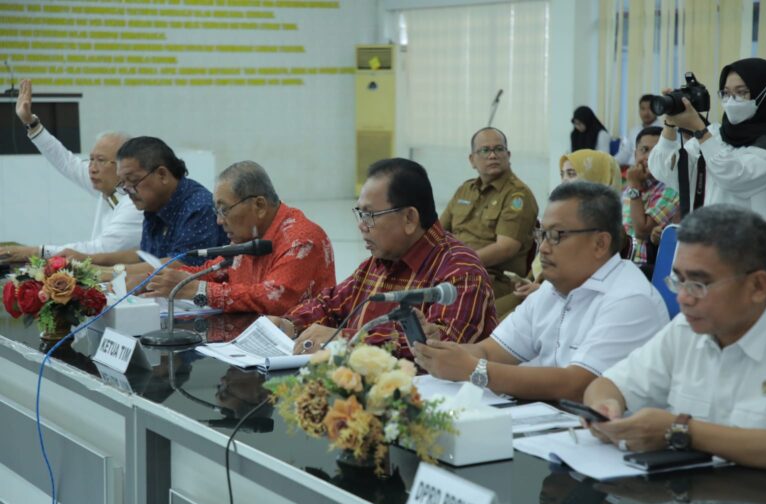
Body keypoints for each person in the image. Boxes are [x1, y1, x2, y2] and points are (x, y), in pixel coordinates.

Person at [584, 205, 766, 473]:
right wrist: (605, 408)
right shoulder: (684, 331)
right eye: (679, 281)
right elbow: (606, 385)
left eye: (699, 284)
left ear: (757, 286)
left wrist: (680, 430)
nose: (683, 298)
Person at [413, 181, 669, 401]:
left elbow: (577, 385)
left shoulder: (630, 299)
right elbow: (490, 352)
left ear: (600, 243)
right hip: (550, 427)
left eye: (557, 235)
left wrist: (474, 370)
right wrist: (437, 351)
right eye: (542, 234)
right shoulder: (551, 289)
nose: (543, 248)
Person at [271, 158, 497, 361]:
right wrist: (288, 325)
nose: (361, 225)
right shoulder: (380, 261)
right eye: (360, 214)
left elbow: (441, 350)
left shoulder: (460, 270)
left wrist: (345, 341)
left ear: (409, 218)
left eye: (369, 215)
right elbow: (331, 305)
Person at [647, 57, 766, 294]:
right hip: (703, 261)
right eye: (726, 93)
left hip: (750, 267)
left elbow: (734, 176)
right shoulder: (717, 134)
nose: (731, 101)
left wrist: (700, 130)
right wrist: (670, 123)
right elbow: (664, 171)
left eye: (742, 92)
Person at [138, 161, 335, 314]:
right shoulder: (248, 236)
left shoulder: (301, 240)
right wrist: (157, 281)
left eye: (224, 210)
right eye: (217, 211)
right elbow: (213, 271)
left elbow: (273, 299)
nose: (219, 221)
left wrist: (199, 290)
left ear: (259, 205)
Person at [0, 79, 142, 263]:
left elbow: (100, 249)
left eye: (100, 160)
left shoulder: (135, 205)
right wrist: (31, 122)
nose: (91, 168)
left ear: (123, 167)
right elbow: (65, 160)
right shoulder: (107, 185)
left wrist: (36, 251)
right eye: (90, 159)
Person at [495, 149, 623, 319]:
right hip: (539, 293)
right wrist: (532, 283)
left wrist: (544, 291)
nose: (564, 181)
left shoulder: (608, 232)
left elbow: (587, 286)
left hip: (565, 306)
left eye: (571, 174)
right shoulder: (562, 217)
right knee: (480, 316)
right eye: (562, 174)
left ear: (596, 178)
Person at [65, 136, 228, 267]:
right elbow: (146, 257)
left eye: (133, 180)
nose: (128, 191)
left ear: (162, 174)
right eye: (123, 183)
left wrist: (103, 273)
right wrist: (87, 259)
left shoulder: (199, 206)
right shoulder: (153, 205)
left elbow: (179, 265)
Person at [439, 127, 539, 299]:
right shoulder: (465, 190)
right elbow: (438, 233)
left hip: (492, 279)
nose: (493, 155)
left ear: (508, 155)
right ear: (472, 160)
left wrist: (459, 264)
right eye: (485, 150)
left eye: (498, 149)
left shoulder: (517, 195)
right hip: (454, 273)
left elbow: (505, 248)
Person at [621, 126, 679, 269]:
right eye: (644, 150)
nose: (649, 157)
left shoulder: (671, 188)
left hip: (646, 266)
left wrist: (634, 186)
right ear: (635, 155)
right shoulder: (629, 186)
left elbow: (642, 230)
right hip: (623, 261)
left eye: (656, 152)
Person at [614, 94, 662, 167]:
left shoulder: (663, 131)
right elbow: (625, 152)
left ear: (656, 109)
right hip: (629, 168)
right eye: (643, 108)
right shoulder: (634, 130)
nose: (646, 113)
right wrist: (611, 162)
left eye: (650, 108)